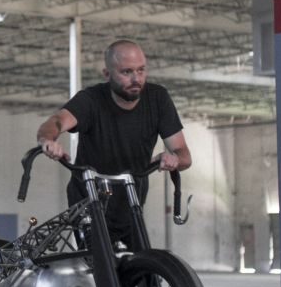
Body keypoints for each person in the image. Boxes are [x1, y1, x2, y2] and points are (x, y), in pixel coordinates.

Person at [37, 39, 191, 250]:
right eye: (126, 72)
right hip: (89, 201)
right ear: (107, 74)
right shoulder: (90, 100)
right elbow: (56, 122)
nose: (136, 79)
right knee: (102, 262)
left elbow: (184, 156)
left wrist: (173, 159)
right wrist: (48, 141)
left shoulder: (158, 99)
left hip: (131, 200)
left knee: (144, 263)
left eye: (141, 70)